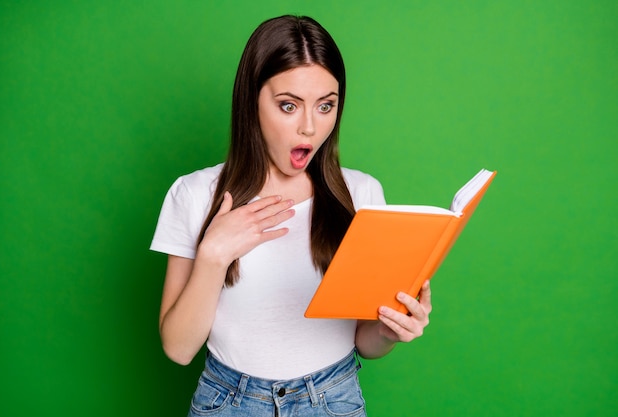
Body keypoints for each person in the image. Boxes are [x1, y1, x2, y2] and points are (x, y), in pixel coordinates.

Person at [151, 14, 432, 417]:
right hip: (228, 402)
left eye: (325, 106)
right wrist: (213, 255)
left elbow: (366, 344)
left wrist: (389, 330)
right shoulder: (195, 194)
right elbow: (178, 349)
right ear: (251, 100)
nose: (309, 128)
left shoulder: (361, 194)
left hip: (332, 398)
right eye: (288, 105)